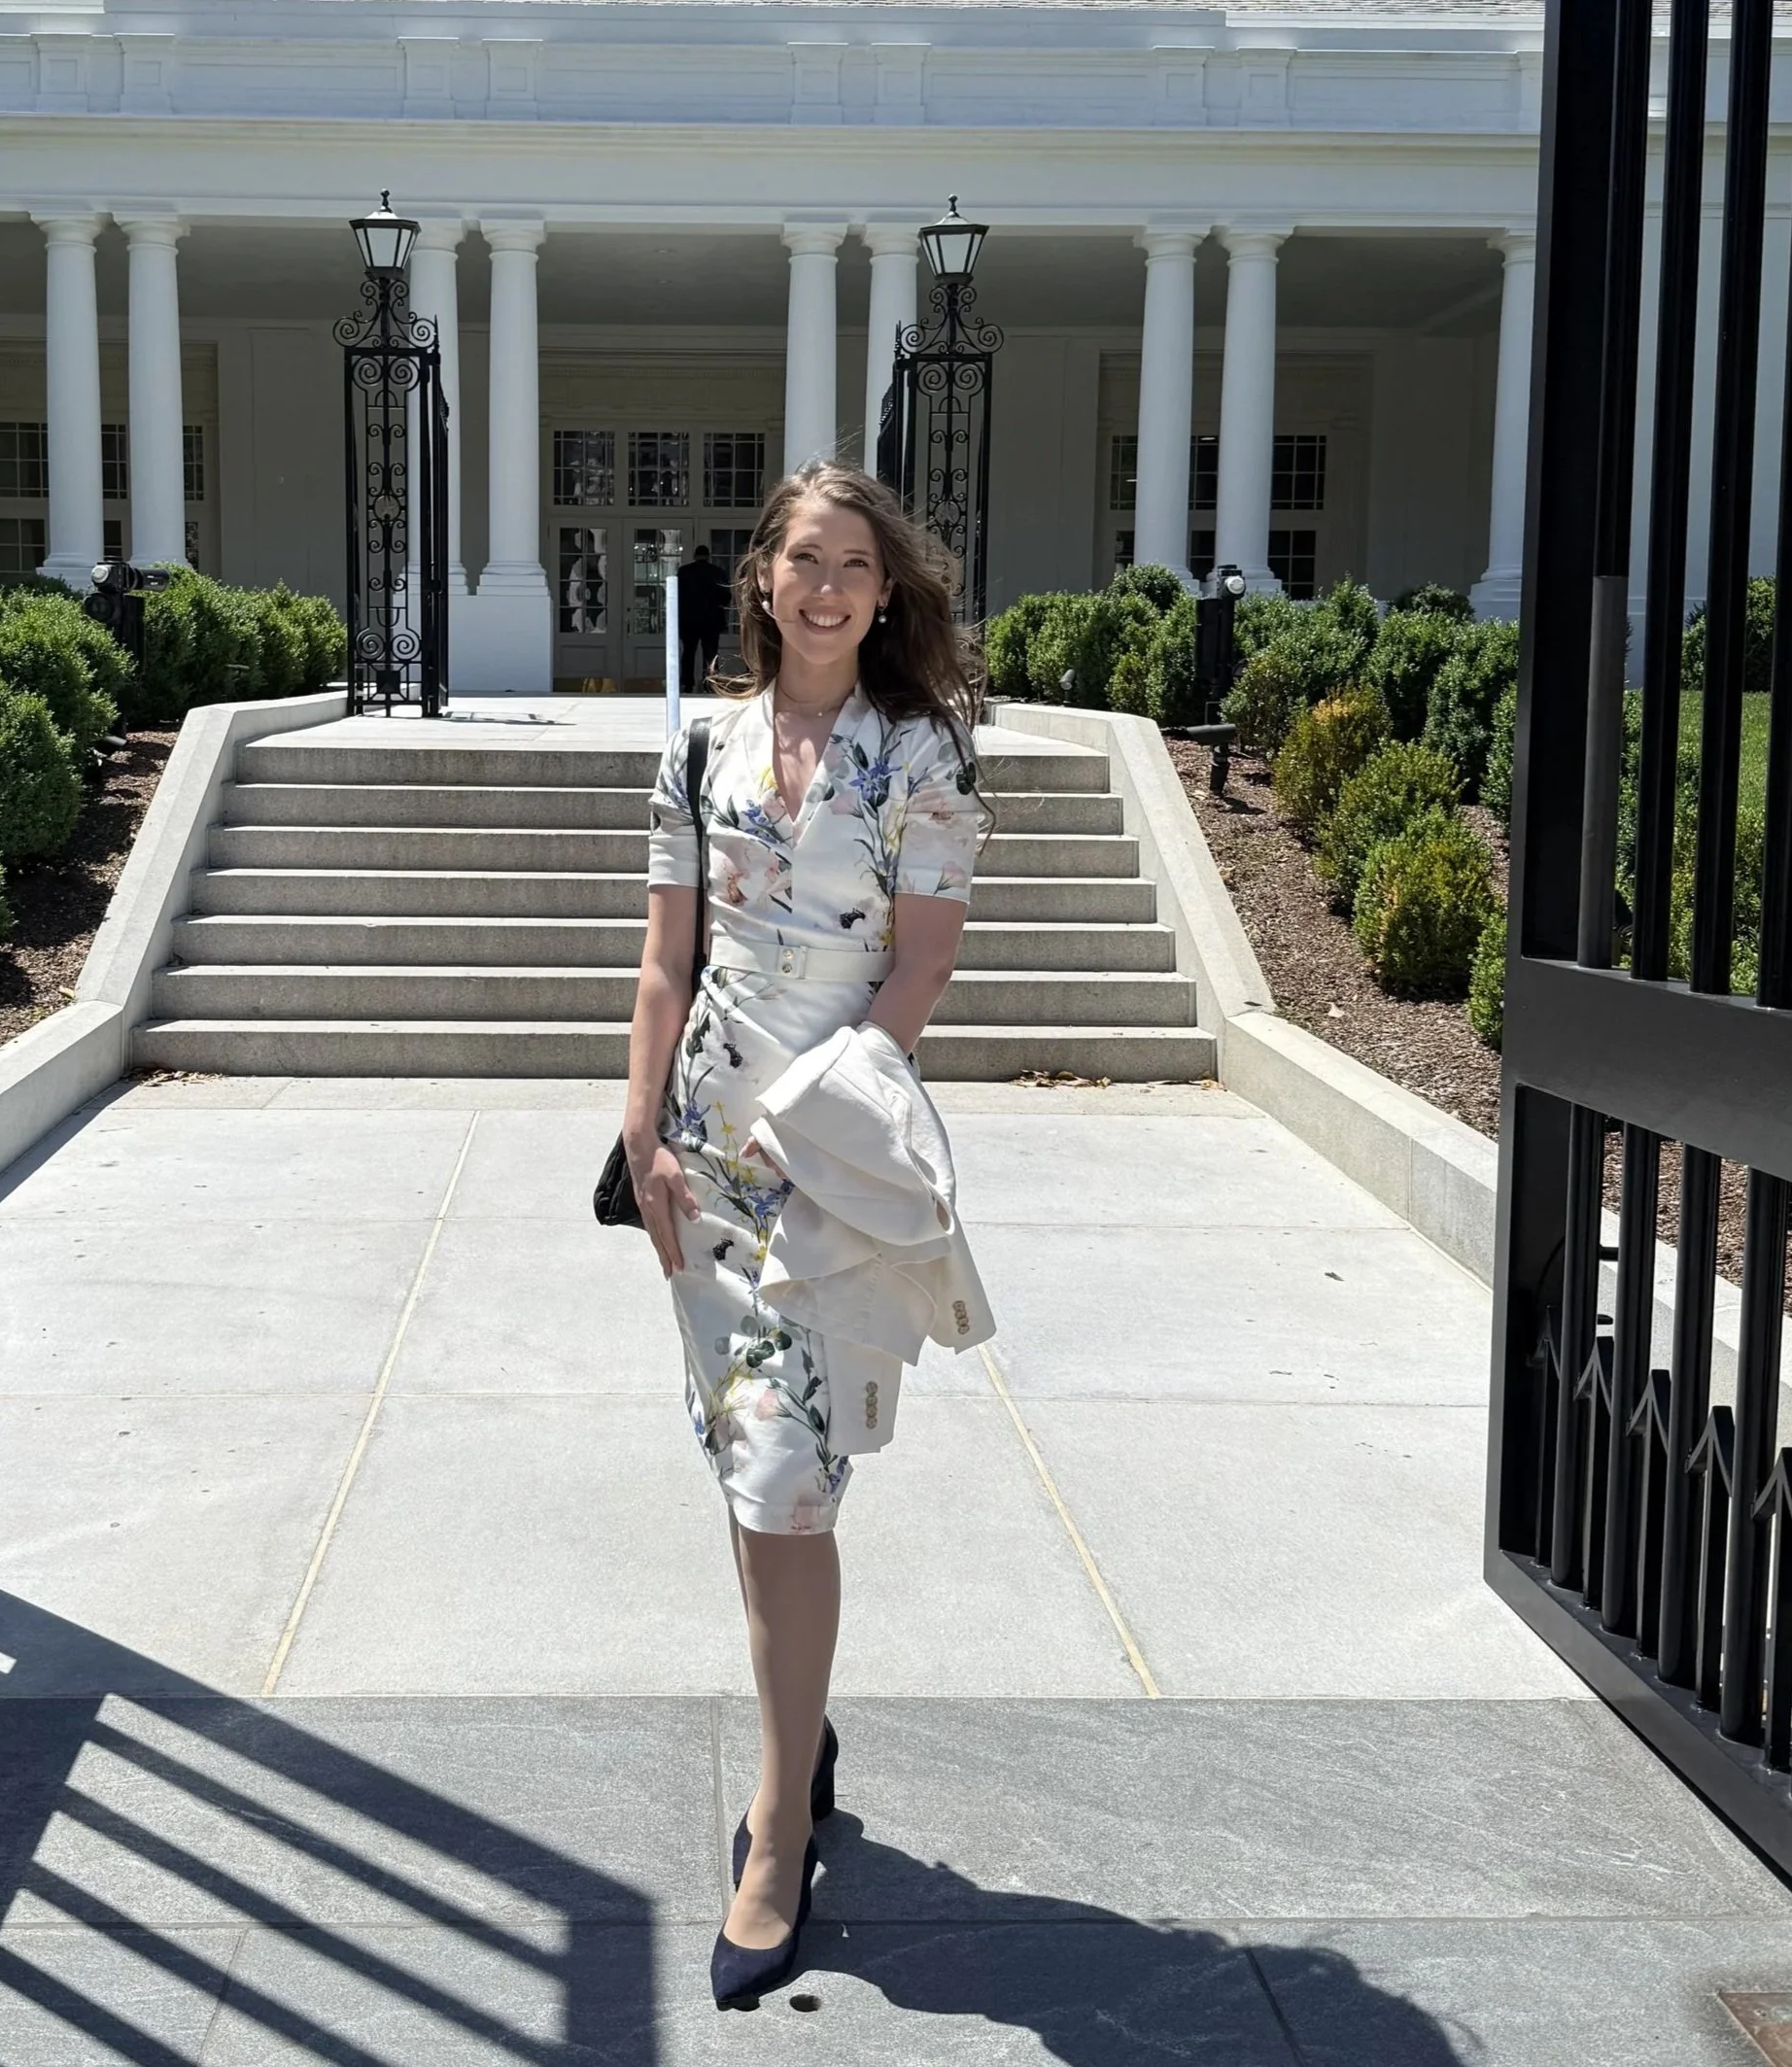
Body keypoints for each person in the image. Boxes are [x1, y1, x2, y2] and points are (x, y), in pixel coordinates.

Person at [620, 460, 987, 2010]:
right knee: (754, 1465)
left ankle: (779, 1827)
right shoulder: (698, 742)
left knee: (784, 1483)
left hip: (823, 1167)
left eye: (854, 563)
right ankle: (801, 1725)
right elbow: (662, 953)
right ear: (760, 581)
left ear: (883, 589)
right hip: (702, 1167)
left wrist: (824, 1109)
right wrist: (640, 1138)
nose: (827, 585)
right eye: (801, 559)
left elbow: (921, 965)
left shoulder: (919, 752)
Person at [674, 542, 731, 691]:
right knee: (711, 653)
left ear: (695, 556)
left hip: (689, 619)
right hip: (711, 619)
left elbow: (677, 595)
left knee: (688, 653)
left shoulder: (684, 572)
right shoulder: (717, 572)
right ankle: (710, 682)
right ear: (708, 556)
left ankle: (687, 683)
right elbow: (726, 596)